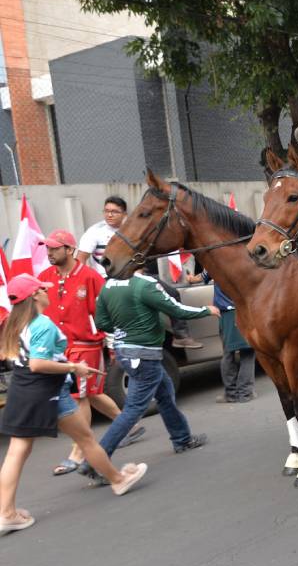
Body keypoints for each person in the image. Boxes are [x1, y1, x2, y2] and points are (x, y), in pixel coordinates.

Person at [0, 274, 149, 535]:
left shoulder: (17, 323)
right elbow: (38, 364)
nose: (48, 292)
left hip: (25, 391)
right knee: (86, 440)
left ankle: (6, 513)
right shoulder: (42, 325)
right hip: (46, 392)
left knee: (17, 453)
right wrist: (74, 367)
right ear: (35, 296)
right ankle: (118, 479)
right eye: (42, 289)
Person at [78, 267, 216, 480]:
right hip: (145, 354)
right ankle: (96, 462)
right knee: (133, 410)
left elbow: (102, 323)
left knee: (165, 394)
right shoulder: (145, 285)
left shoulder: (108, 287)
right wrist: (206, 310)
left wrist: (126, 329)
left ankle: (182, 439)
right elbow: (177, 310)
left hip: (126, 351)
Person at [38, 229, 145, 476]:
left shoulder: (89, 277)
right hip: (58, 348)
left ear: (70, 249)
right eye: (48, 248)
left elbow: (107, 313)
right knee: (93, 393)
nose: (50, 252)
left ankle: (78, 450)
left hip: (86, 345)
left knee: (79, 396)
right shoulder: (44, 277)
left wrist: (112, 344)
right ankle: (128, 424)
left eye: (54, 248)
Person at [213, 279, 256, 403]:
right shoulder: (244, 260)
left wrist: (191, 278)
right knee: (248, 353)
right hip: (243, 309)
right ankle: (245, 393)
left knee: (228, 353)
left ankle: (232, 393)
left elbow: (203, 276)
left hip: (226, 313)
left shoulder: (213, 262)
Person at [78, 196, 128, 277]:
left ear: (124, 214)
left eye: (115, 211)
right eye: (106, 211)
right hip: (102, 278)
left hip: (127, 278)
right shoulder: (94, 231)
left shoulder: (131, 231)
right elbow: (81, 258)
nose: (110, 215)